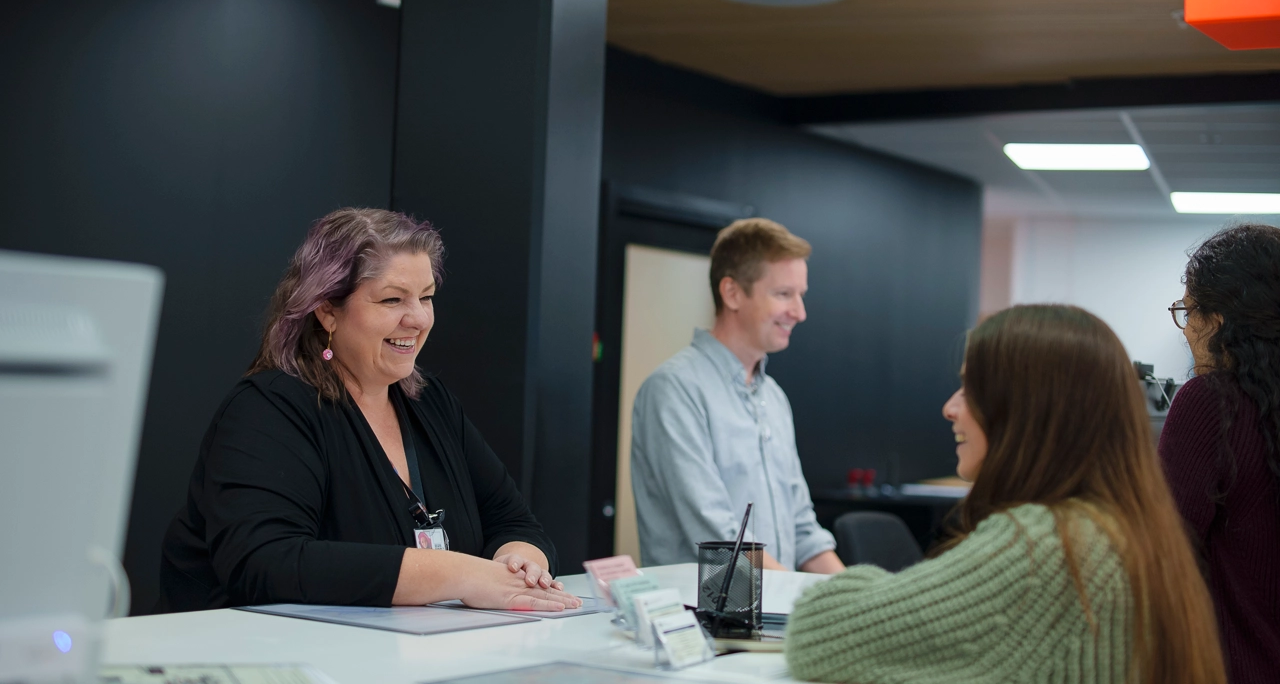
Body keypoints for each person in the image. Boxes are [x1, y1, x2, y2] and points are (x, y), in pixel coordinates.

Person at [156, 208, 581, 613]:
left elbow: (513, 521)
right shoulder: (268, 408)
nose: (418, 319)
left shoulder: (431, 402)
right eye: (393, 300)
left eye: (426, 297)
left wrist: (521, 563)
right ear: (327, 310)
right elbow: (265, 561)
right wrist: (459, 575)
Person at [785, 305, 1225, 684]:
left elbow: (819, 632)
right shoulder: (1127, 525)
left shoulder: (1045, 544)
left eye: (970, 389)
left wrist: (886, 591)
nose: (950, 408)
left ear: (1027, 410)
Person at [630, 218, 842, 573]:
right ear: (732, 293)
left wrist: (860, 596)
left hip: (775, 603)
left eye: (801, 295)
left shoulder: (773, 398)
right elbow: (720, 538)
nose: (799, 312)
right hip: (703, 608)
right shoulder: (675, 389)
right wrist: (802, 596)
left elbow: (804, 532)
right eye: (783, 294)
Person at [1160, 224, 1280, 683]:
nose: (1187, 330)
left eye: (1188, 311)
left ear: (1220, 320)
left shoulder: (1211, 403)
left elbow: (1163, 548)